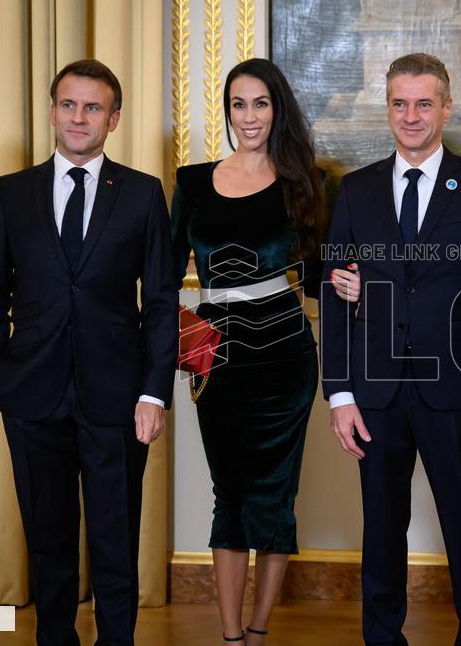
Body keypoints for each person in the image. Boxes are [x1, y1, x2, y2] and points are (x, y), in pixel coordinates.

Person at [0, 59, 178, 645]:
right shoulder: (12, 193)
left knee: (116, 540)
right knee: (49, 538)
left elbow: (161, 300)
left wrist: (153, 391)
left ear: (113, 119)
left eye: (92, 107)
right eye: (68, 104)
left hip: (118, 398)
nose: (78, 117)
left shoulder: (141, 195)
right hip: (31, 394)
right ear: (54, 110)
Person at [319, 53, 461, 646]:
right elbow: (335, 294)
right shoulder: (355, 191)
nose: (411, 116)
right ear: (387, 108)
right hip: (375, 394)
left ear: (446, 108)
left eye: (424, 103)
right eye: (399, 103)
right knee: (382, 527)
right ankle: (382, 637)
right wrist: (340, 393)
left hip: (457, 391)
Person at [170, 57, 358, 645]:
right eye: (237, 104)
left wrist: (347, 283)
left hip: (285, 359)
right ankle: (230, 638)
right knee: (230, 495)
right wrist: (184, 340)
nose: (248, 116)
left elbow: (323, 275)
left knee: (276, 499)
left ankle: (257, 633)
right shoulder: (192, 181)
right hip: (218, 360)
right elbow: (162, 277)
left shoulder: (308, 183)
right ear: (226, 111)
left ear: (278, 109)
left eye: (260, 103)